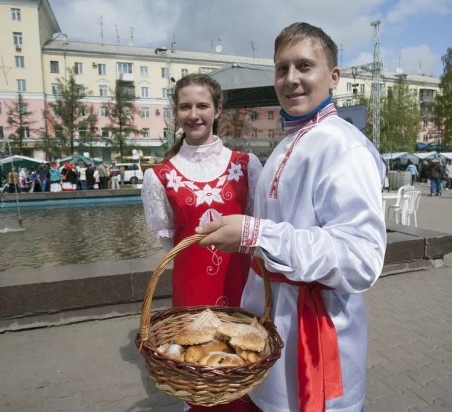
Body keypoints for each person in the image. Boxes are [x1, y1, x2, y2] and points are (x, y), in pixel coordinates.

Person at [193, 23, 386, 412]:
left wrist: (256, 234)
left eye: (304, 66)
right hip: (272, 332)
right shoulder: (287, 142)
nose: (291, 79)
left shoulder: (344, 147)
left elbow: (361, 260)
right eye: (282, 68)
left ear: (333, 77)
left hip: (317, 339)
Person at [141, 73, 263, 412]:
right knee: (199, 375)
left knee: (245, 366)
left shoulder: (245, 165)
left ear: (218, 110)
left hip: (240, 285)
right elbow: (170, 241)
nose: (193, 114)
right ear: (175, 113)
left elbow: (254, 228)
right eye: (185, 107)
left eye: (202, 105)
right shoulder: (159, 176)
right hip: (192, 291)